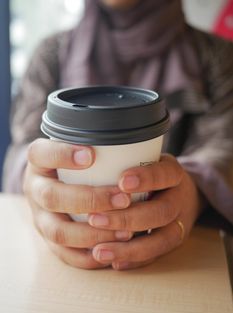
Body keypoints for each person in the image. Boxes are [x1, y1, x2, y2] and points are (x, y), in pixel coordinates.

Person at [3, 0, 233, 270]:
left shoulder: (219, 59)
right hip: (56, 272)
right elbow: (22, 148)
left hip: (182, 269)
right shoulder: (51, 56)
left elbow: (224, 148)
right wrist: (36, 180)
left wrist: (192, 191)